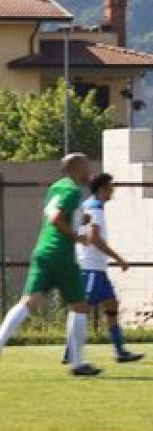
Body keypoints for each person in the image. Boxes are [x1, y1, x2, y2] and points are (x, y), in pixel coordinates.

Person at [0, 153, 105, 376]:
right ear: (75, 168)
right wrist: (76, 236)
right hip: (62, 255)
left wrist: (80, 218)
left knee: (28, 302)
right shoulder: (72, 190)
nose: (89, 170)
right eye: (86, 165)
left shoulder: (56, 187)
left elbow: (54, 211)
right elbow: (56, 218)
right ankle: (78, 364)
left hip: (42, 251)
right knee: (80, 306)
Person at [69, 173, 142, 365]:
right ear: (102, 189)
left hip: (96, 268)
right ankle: (70, 352)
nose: (112, 191)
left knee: (111, 306)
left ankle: (120, 352)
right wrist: (119, 259)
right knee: (81, 309)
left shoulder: (90, 205)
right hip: (91, 268)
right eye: (110, 187)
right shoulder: (95, 209)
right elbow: (94, 238)